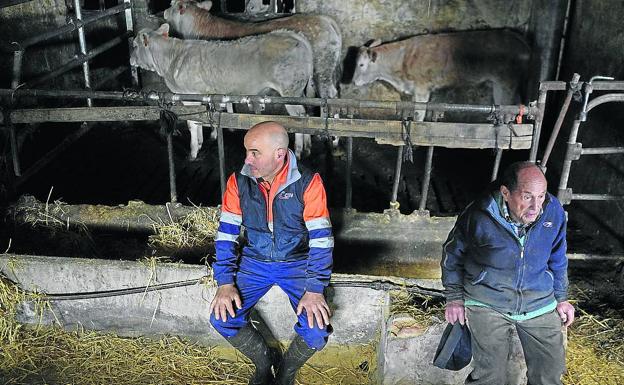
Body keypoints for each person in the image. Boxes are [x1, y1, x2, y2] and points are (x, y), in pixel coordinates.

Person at [210, 121, 333, 385]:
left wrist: (314, 288)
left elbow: (321, 239)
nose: (247, 159)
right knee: (222, 319)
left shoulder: (308, 182)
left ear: (279, 154)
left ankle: (287, 371)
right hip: (254, 261)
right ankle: (264, 362)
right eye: (246, 151)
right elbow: (227, 234)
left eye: (255, 152)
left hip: (297, 262)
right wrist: (224, 281)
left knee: (315, 331)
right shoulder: (239, 181)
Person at [441, 161, 575, 384]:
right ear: (505, 192)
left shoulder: (553, 211)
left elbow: (558, 256)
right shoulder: (478, 214)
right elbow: (452, 254)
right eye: (527, 197)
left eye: (541, 196)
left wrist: (561, 298)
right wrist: (454, 297)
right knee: (489, 375)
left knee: (550, 372)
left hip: (538, 301)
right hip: (487, 299)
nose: (536, 207)